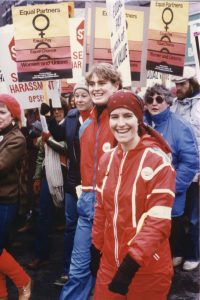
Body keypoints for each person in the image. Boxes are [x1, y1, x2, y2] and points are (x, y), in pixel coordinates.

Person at [91, 89, 176, 299]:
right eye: (115, 117)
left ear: (139, 119)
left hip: (147, 269)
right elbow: (101, 209)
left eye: (127, 115)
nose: (121, 123)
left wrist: (130, 266)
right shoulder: (106, 160)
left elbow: (158, 223)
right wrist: (95, 247)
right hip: (110, 264)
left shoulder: (158, 162)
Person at [59, 63, 122, 300]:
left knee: (111, 274)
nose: (95, 88)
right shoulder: (85, 126)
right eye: (92, 84)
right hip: (87, 208)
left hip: (115, 212)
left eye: (102, 83)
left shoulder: (125, 122)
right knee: (78, 271)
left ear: (116, 85)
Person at [144, 83, 198, 270]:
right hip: (147, 192)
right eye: (150, 99)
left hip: (170, 192)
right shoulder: (142, 123)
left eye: (159, 99)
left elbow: (190, 162)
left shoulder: (180, 126)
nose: (154, 103)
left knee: (173, 227)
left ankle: (177, 255)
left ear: (168, 102)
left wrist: (172, 187)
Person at [49, 82, 93, 287]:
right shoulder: (73, 116)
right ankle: (68, 270)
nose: (80, 99)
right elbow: (59, 136)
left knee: (93, 229)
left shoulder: (101, 116)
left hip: (93, 184)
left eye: (85, 95)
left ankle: (92, 271)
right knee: (71, 227)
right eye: (77, 96)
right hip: (73, 182)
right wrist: (48, 117)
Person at [28, 102, 68, 270]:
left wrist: (49, 139)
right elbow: (40, 155)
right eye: (54, 110)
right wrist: (37, 177)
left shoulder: (70, 125)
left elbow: (66, 148)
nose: (57, 112)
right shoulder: (46, 126)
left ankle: (69, 262)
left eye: (60, 109)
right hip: (48, 175)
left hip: (68, 177)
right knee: (44, 216)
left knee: (70, 220)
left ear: (65, 110)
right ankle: (41, 255)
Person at [0, 94, 31, 299]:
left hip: (5, 202)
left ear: (13, 115)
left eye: (2, 112)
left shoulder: (17, 138)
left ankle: (23, 281)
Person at [171, 66, 200, 271]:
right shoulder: (172, 105)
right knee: (177, 216)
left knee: (195, 217)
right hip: (177, 172)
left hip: (197, 172)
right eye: (176, 84)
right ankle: (179, 251)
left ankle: (193, 254)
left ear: (191, 83)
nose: (178, 88)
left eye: (182, 84)